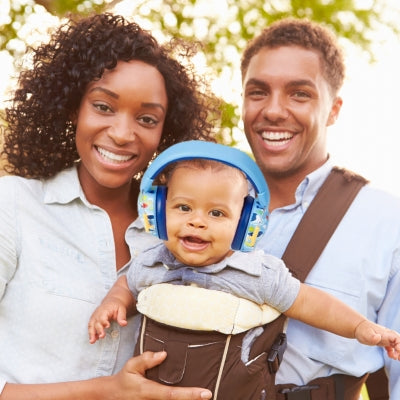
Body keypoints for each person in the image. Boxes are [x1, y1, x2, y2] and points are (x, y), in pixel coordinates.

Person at [0, 12, 221, 400]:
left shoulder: (179, 233)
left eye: (147, 118)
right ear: (73, 109)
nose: (122, 134)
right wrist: (107, 391)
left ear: (164, 133)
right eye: (104, 107)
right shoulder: (15, 204)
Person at [88, 141, 400, 400]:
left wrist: (359, 328)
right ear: (157, 211)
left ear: (245, 225)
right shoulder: (152, 262)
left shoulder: (254, 273)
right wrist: (114, 302)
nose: (197, 221)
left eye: (216, 212)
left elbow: (307, 302)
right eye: (183, 207)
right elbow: (128, 284)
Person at [240, 17, 400, 399]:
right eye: (258, 92)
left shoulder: (386, 222)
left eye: (299, 94)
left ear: (333, 109)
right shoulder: (195, 207)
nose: (274, 111)